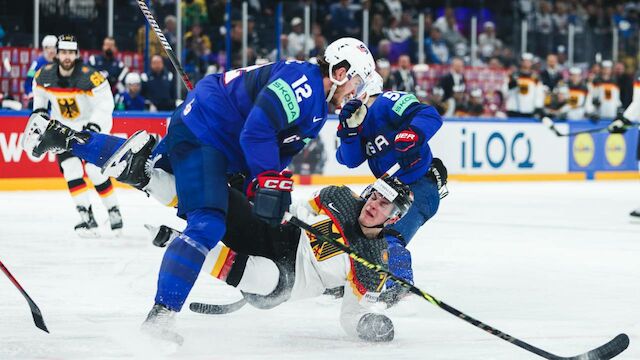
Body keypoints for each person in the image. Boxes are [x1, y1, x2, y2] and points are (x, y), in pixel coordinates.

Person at [23, 37, 376, 338]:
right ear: (340, 71)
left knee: (151, 173)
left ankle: (65, 137)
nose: (356, 92)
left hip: (212, 132)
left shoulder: (316, 105)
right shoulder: (305, 82)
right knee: (207, 222)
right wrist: (266, 176)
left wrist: (255, 180)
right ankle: (159, 321)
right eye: (357, 82)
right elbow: (257, 130)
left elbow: (273, 147)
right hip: (209, 133)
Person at [155, 176, 414, 343]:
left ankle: (183, 244)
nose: (373, 205)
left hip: (288, 282)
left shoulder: (373, 264)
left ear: (393, 218)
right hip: (279, 236)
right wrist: (278, 210)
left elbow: (352, 314)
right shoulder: (340, 197)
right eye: (375, 197)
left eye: (384, 205)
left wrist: (367, 324)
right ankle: (146, 178)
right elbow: (302, 209)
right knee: (225, 198)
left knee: (262, 275)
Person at [335, 72, 446, 292]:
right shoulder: (358, 119)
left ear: (364, 88)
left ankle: (399, 286)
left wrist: (411, 134)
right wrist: (349, 132)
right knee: (355, 232)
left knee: (387, 237)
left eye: (351, 87)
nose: (344, 95)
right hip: (390, 191)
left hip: (419, 188)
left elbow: (429, 115)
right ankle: (350, 279)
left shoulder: (386, 102)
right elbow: (349, 159)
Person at [28, 34, 123, 237]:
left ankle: (113, 210)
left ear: (77, 54)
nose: (67, 56)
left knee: (94, 170)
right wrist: (40, 113)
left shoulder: (91, 76)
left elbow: (106, 103)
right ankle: (86, 217)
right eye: (63, 52)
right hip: (63, 130)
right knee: (71, 169)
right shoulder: (43, 76)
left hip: (92, 128)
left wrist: (94, 126)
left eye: (71, 52)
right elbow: (40, 98)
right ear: (57, 54)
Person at [503, 53, 545, 118]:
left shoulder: (535, 77)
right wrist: (511, 84)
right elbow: (504, 90)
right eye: (524, 61)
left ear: (532, 63)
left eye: (529, 61)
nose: (526, 63)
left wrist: (538, 106)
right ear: (521, 62)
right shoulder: (514, 75)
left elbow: (539, 93)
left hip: (530, 109)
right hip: (514, 108)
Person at [24, 35, 57, 104]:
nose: (51, 51)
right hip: (39, 98)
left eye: (54, 48)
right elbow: (28, 81)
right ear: (44, 49)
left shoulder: (60, 64)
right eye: (48, 48)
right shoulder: (36, 63)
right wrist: (30, 92)